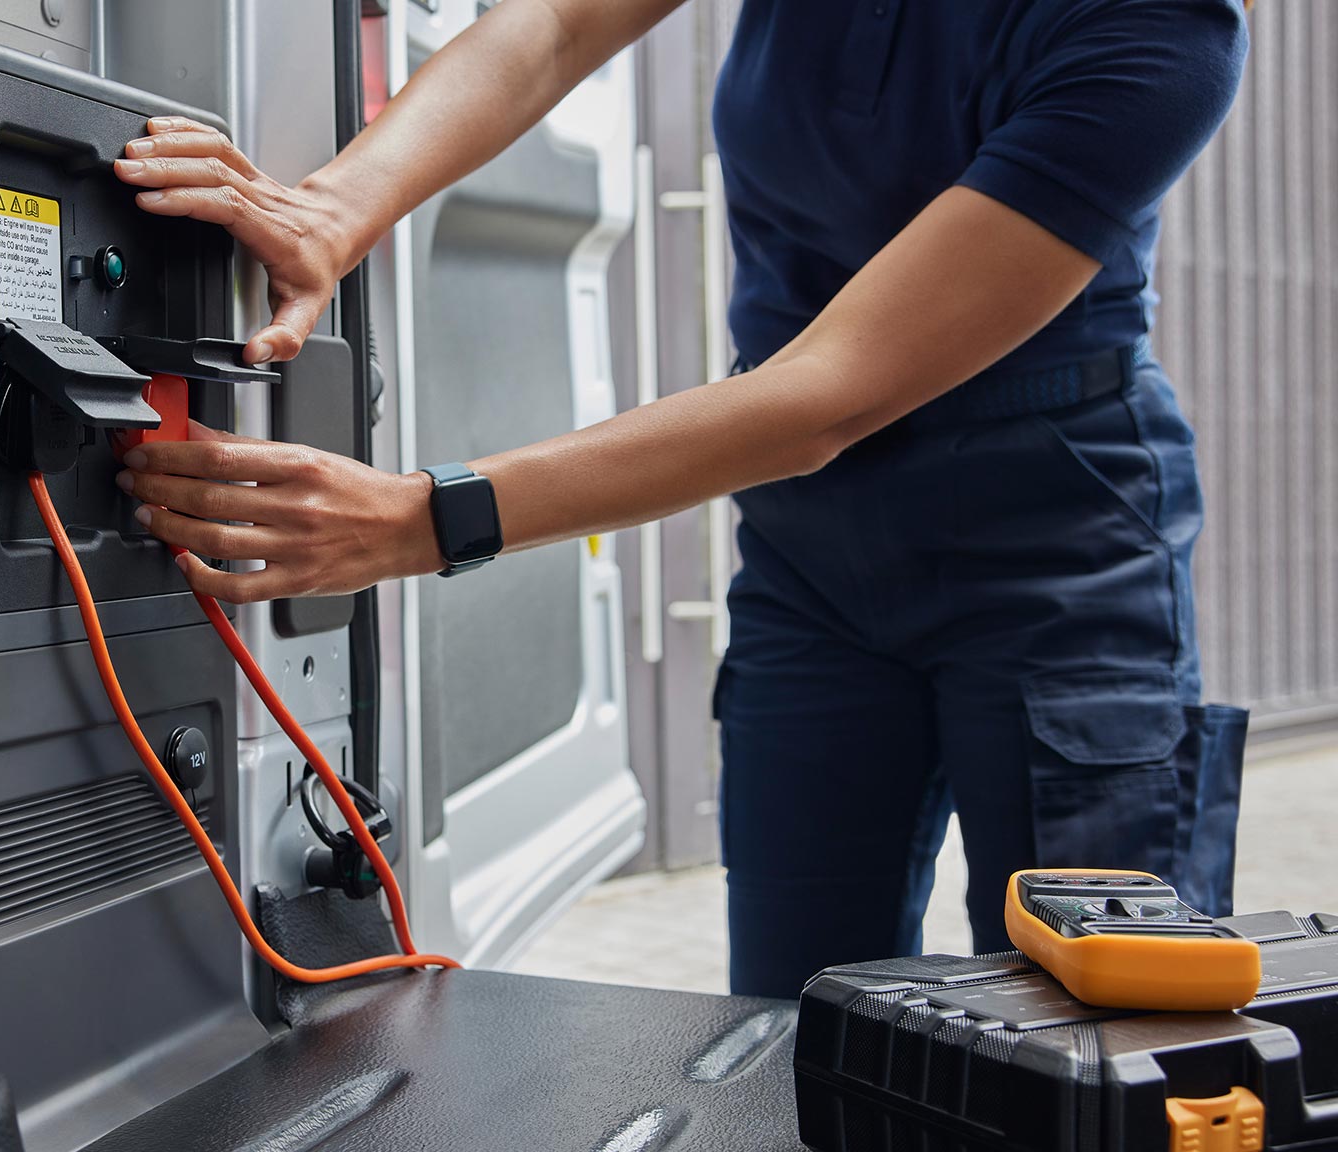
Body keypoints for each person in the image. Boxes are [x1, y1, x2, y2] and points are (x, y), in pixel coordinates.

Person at [109, 0, 1252, 997]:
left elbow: (823, 397)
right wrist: (334, 206)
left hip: (1052, 545)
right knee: (797, 1026)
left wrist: (421, 518)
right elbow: (555, 23)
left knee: (1095, 1027)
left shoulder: (1159, 29)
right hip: (812, 560)